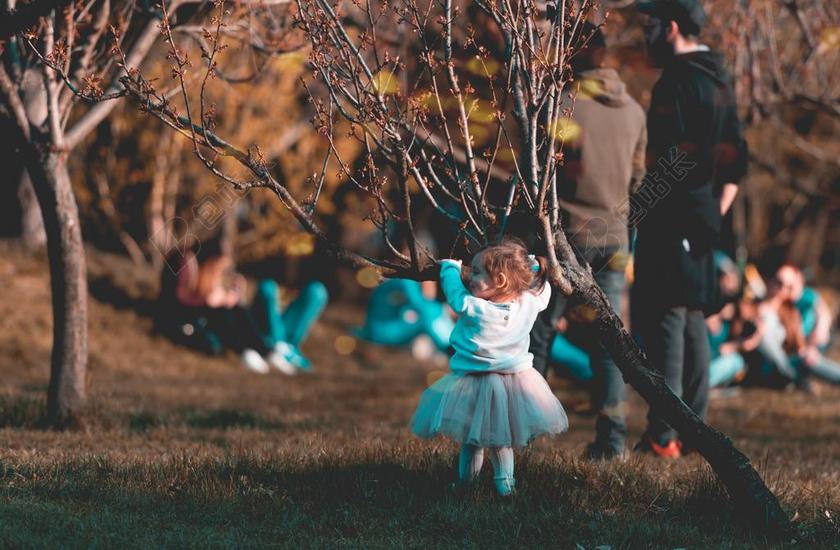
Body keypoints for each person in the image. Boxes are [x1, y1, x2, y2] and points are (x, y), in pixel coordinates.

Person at [633, 0, 748, 458]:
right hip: (701, 218)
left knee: (667, 321)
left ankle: (664, 435)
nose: (645, 35)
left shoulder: (676, 82)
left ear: (672, 27)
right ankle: (693, 432)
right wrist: (714, 212)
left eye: (650, 26)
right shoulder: (719, 79)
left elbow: (671, 160)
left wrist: (638, 207)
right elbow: (738, 158)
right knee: (694, 317)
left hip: (672, 219)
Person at [528, 22, 646, 460]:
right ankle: (613, 440)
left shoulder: (563, 106)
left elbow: (542, 175)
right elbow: (639, 181)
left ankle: (527, 432)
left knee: (539, 333)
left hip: (567, 237)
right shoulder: (635, 111)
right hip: (614, 238)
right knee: (610, 340)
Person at [411, 239, 568, 496]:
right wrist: (535, 267)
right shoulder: (527, 304)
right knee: (501, 441)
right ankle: (505, 485)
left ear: (501, 281)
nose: (470, 277)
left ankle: (466, 484)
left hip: (474, 382)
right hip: (514, 382)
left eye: (477, 272)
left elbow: (454, 295)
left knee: (472, 441)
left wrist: (450, 268)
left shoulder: (475, 308)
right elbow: (543, 291)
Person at [756, 266, 840, 388]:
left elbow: (823, 318)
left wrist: (810, 347)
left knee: (810, 360)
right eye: (779, 283)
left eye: (788, 285)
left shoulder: (800, 303)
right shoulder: (762, 306)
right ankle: (795, 377)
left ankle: (796, 376)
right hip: (775, 360)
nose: (784, 289)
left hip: (798, 352)